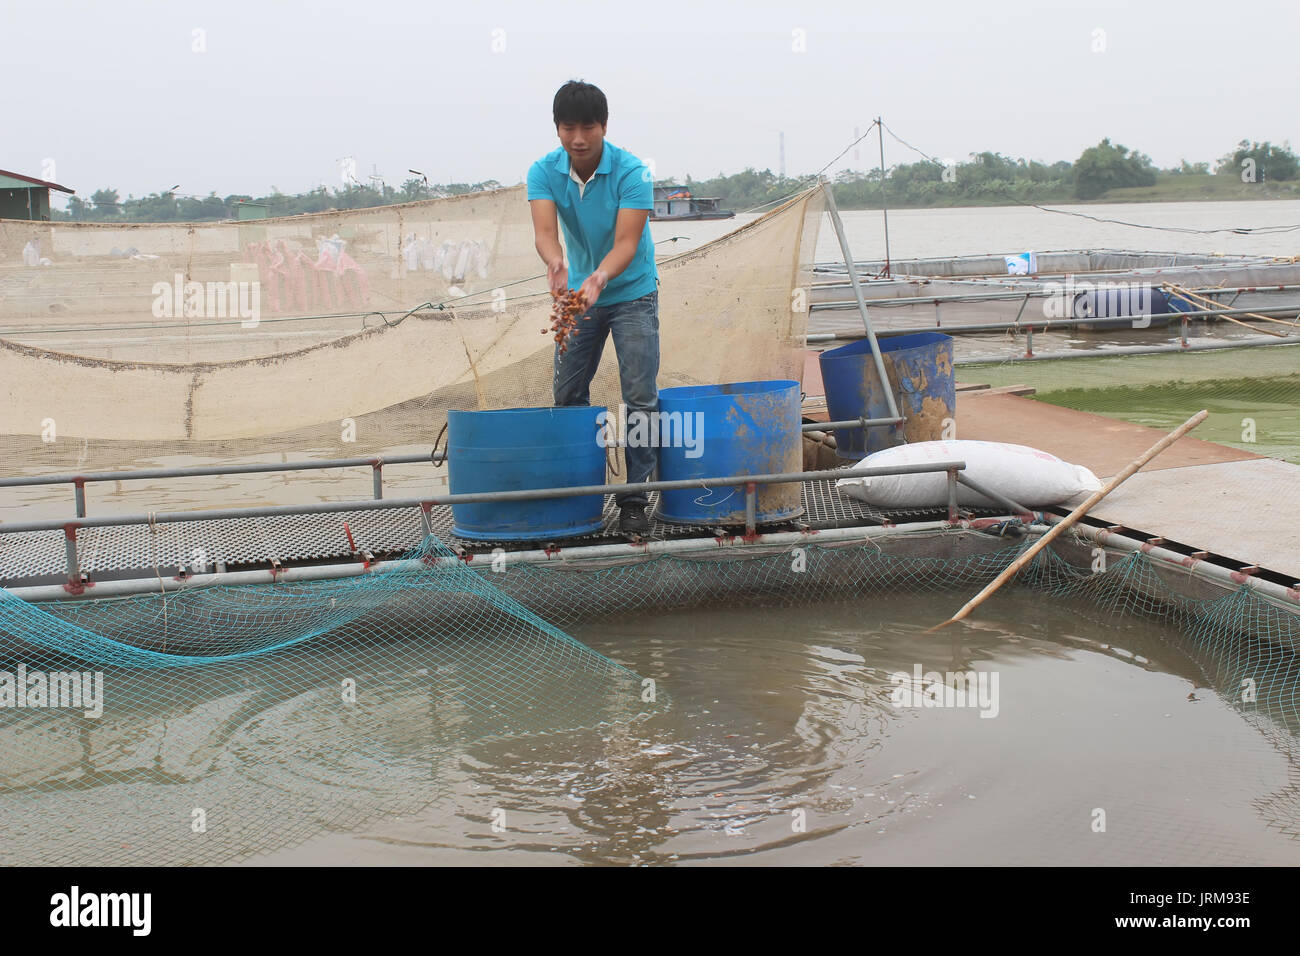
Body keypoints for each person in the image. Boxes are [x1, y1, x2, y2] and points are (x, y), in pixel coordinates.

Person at [526, 80, 659, 536]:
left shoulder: (633, 172)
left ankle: (635, 499)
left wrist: (600, 277)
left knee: (640, 395)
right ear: (557, 129)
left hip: (632, 291)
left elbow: (627, 242)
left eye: (588, 127)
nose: (578, 138)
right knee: (567, 394)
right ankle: (579, 491)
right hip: (577, 296)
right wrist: (556, 261)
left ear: (604, 126)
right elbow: (545, 233)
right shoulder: (543, 171)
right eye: (568, 128)